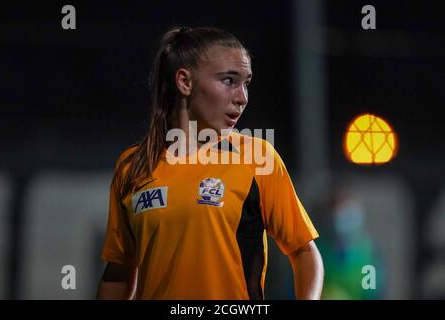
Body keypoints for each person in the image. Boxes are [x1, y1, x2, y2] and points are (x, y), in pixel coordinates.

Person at [96, 26, 324, 300]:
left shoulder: (256, 157)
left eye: (246, 83)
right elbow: (118, 274)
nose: (242, 97)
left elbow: (304, 251)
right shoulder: (132, 166)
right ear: (185, 82)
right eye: (229, 81)